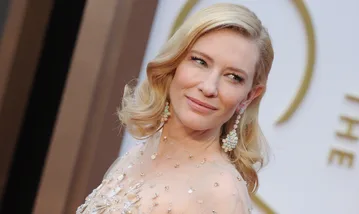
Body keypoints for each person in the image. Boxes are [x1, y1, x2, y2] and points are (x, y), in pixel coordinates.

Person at [76, 3, 274, 214]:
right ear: (174, 63)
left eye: (233, 77)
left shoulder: (222, 193)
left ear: (249, 96)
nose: (209, 87)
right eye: (200, 61)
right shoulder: (140, 154)